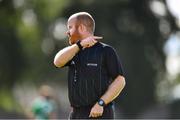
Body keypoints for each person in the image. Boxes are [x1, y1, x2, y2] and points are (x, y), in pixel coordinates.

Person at [54, 12, 125, 119]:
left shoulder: (105, 51)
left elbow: (120, 81)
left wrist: (101, 103)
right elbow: (57, 61)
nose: (67, 32)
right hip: (76, 114)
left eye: (70, 27)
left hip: (99, 112)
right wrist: (79, 45)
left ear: (82, 28)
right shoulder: (74, 51)